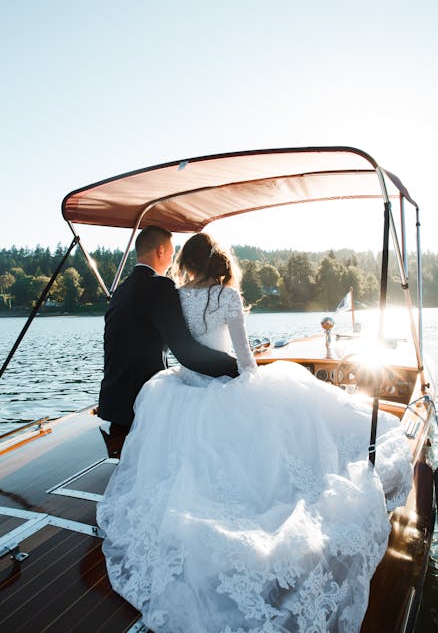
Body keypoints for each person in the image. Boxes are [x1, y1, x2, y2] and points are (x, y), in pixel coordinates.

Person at [97, 233, 413, 633]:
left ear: (187, 263)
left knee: (193, 459)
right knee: (280, 419)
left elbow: (180, 348)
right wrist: (246, 373)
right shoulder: (222, 296)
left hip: (174, 388)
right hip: (218, 374)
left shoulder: (167, 293)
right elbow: (236, 355)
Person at [98, 226, 239, 438]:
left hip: (112, 402)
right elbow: (187, 352)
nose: (173, 260)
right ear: (161, 251)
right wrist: (237, 369)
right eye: (172, 254)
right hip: (142, 403)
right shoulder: (160, 287)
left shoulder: (121, 289)